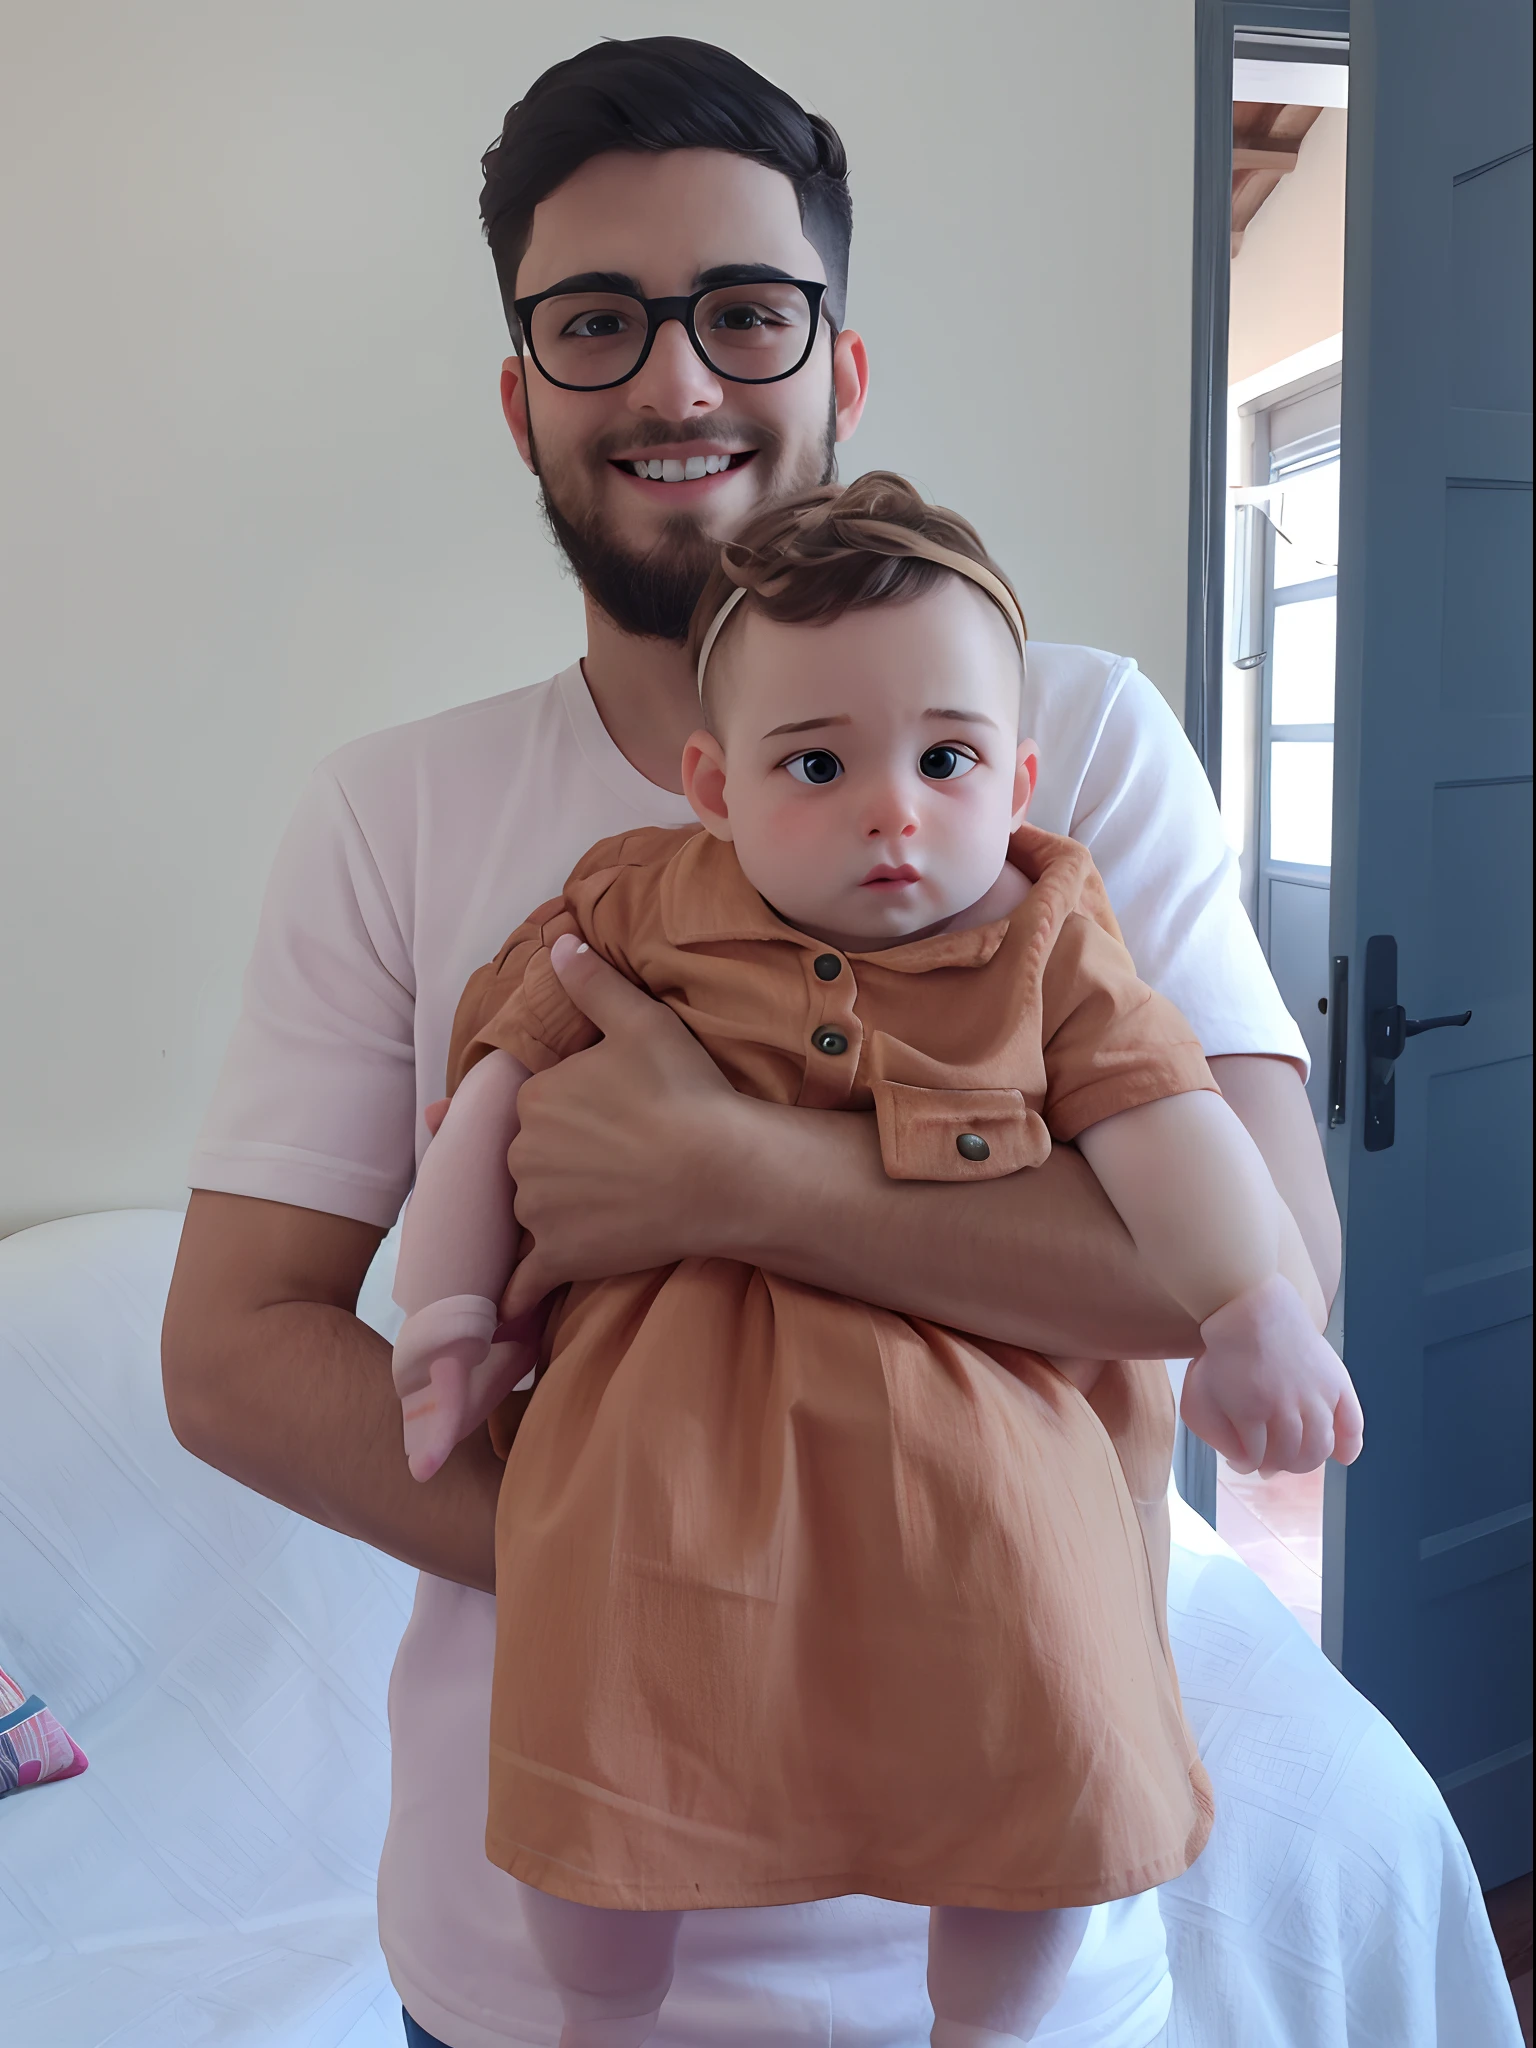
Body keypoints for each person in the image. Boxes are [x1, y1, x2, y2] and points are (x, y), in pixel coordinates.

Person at [161, 36, 1340, 2048]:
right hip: (532, 1939)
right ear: (525, 395)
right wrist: (663, 1556)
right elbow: (232, 1354)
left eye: (745, 312)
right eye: (598, 323)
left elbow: (1248, 1265)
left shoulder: (1071, 753)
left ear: (838, 367)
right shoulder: (399, 811)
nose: (679, 382)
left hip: (1014, 1915)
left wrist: (737, 1176)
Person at [387, 473, 1363, 2048]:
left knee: (1048, 1706)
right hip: (657, 1461)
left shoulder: (1051, 941)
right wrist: (443, 1308)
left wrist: (1254, 1310)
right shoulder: (637, 909)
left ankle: (986, 2026)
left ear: (1021, 776)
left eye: (946, 760)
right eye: (819, 765)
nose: (892, 809)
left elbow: (1175, 1128)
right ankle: (599, 2016)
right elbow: (494, 1092)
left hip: (986, 1464)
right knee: (593, 1707)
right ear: (715, 784)